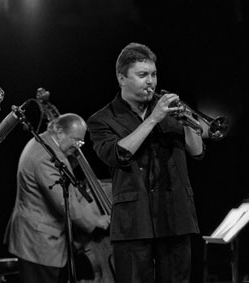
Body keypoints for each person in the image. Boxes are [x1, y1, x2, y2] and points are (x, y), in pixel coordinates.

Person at [87, 42, 205, 283]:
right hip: (133, 222)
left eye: (153, 74)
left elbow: (197, 153)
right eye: (142, 75)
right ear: (122, 78)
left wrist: (190, 124)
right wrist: (153, 119)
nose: (150, 81)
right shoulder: (102, 119)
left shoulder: (171, 111)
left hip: (176, 217)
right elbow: (116, 155)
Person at [6, 113, 110, 283]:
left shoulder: (47, 144)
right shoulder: (45, 156)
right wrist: (96, 221)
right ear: (60, 132)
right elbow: (64, 201)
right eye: (76, 140)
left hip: (40, 239)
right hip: (38, 243)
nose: (78, 146)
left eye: (81, 142)